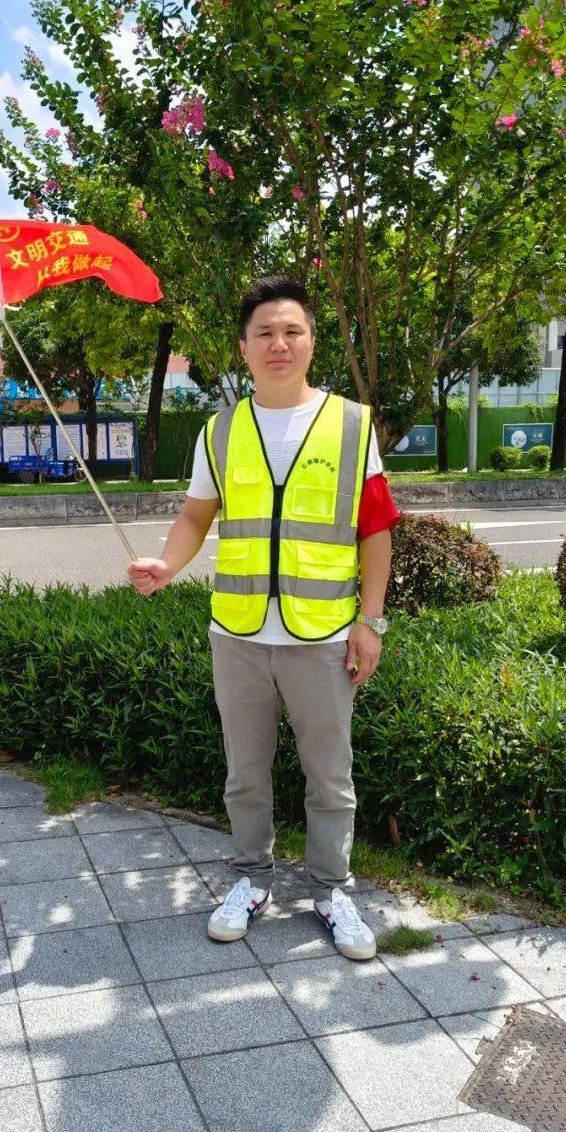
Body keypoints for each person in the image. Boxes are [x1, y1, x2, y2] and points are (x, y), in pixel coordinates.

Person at [127, 276, 400, 961]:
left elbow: (375, 529)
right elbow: (197, 513)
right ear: (243, 348)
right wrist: (168, 563)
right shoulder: (220, 431)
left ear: (312, 340)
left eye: (293, 331)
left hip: (323, 634)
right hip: (240, 634)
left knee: (329, 774)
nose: (279, 343)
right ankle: (249, 880)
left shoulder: (351, 424)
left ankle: (332, 889)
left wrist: (372, 621)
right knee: (244, 772)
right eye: (264, 333)